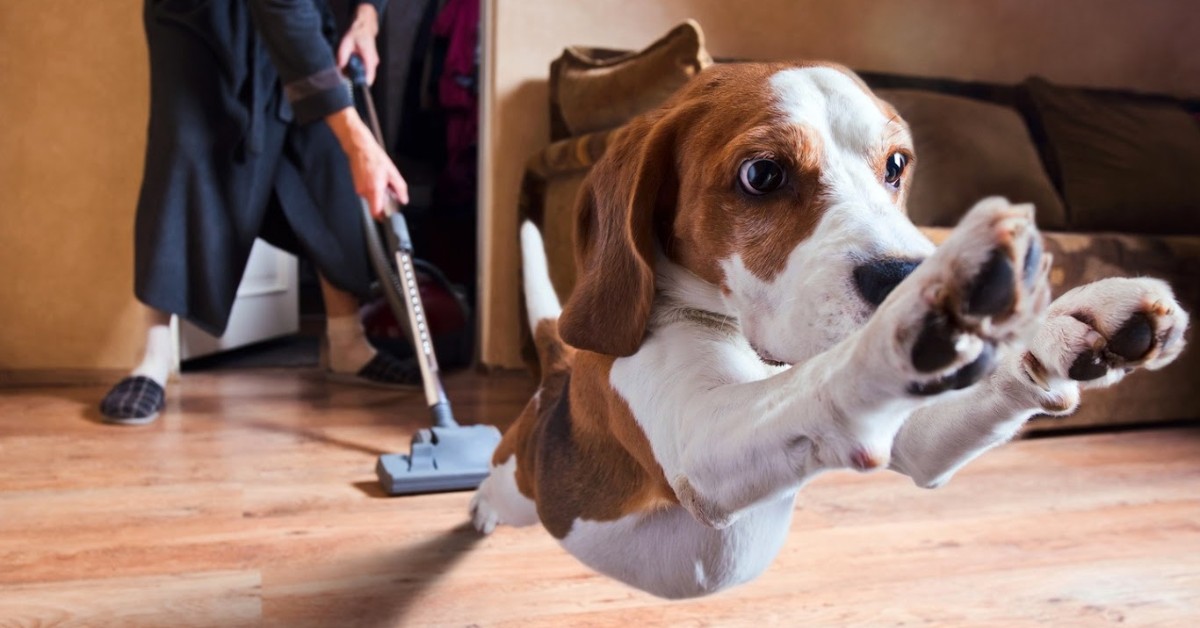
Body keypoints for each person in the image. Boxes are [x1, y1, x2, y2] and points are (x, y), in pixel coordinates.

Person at [100, 0, 415, 425]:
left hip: (301, 12)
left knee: (322, 155)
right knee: (186, 152)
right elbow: (282, 10)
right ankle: (153, 357)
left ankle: (347, 343)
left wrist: (367, 16)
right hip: (200, 20)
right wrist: (358, 141)